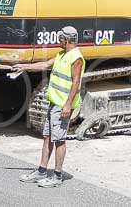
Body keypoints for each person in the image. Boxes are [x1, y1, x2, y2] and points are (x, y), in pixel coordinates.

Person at [14, 25, 85, 188]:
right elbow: (45, 65)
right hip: (54, 103)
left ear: (66, 39)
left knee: (59, 139)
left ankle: (57, 176)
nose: (58, 41)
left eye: (60, 38)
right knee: (47, 137)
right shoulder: (62, 54)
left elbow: (76, 82)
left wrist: (68, 105)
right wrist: (23, 66)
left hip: (62, 106)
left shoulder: (76, 57)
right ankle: (41, 170)